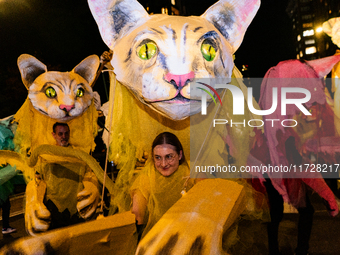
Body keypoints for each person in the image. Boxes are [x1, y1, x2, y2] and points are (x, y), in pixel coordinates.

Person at [130, 132, 195, 239]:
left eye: (169, 157)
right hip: (157, 239)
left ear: (180, 155)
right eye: (158, 158)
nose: (164, 164)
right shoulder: (147, 177)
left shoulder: (191, 172)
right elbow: (137, 214)